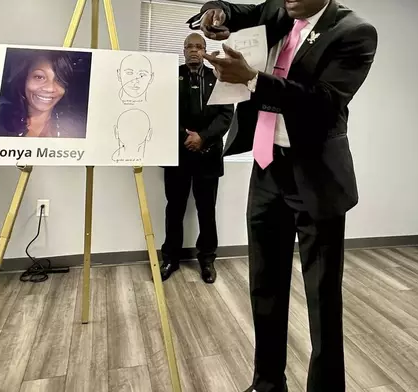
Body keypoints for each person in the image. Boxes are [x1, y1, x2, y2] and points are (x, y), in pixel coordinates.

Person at [190, 0, 378, 391]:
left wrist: (253, 79)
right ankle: (267, 383)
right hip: (266, 168)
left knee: (323, 298)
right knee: (264, 285)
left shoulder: (355, 33)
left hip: (316, 179)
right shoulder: (280, 8)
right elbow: (238, 13)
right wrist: (216, 11)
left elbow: (323, 104)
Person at [160, 33, 233, 284]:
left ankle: (207, 259)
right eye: (189, 46)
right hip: (177, 155)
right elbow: (163, 111)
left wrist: (202, 137)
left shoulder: (219, 78)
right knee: (174, 209)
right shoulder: (170, 76)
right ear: (183, 50)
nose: (193, 50)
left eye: (198, 46)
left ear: (205, 50)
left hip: (208, 155)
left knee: (206, 211)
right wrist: (186, 136)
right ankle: (170, 258)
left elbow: (226, 115)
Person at [0, 50, 89, 138]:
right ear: (24, 79)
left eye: (59, 80)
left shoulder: (76, 128)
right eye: (39, 77)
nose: (50, 88)